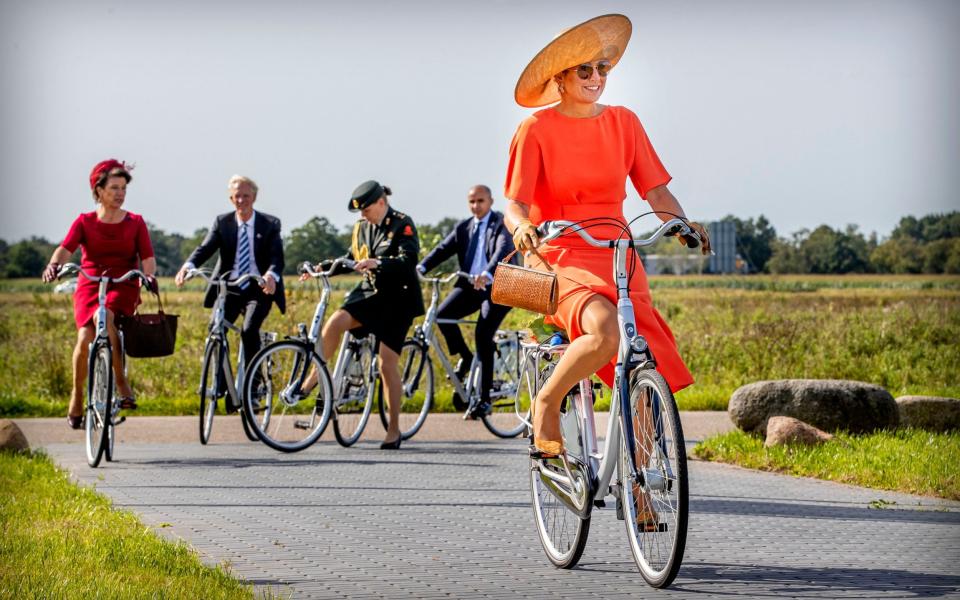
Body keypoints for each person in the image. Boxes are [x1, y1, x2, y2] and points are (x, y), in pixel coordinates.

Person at [503, 14, 712, 524]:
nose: (596, 77)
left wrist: (680, 223)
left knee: (644, 368)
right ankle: (546, 406)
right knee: (604, 330)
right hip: (563, 253)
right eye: (584, 70)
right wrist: (521, 231)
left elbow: (655, 190)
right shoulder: (536, 128)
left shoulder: (624, 121)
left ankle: (638, 492)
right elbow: (515, 203)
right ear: (560, 78)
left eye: (603, 67)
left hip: (618, 252)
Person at [307, 181, 424, 449]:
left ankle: (393, 429)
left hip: (398, 300)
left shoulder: (402, 224)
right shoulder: (361, 228)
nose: (363, 216)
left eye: (367, 209)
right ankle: (316, 376)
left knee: (386, 364)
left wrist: (379, 262)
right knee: (336, 321)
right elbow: (351, 257)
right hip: (370, 294)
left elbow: (409, 262)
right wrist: (322, 268)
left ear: (381, 203)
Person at [41, 159, 157, 429]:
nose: (119, 193)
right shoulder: (85, 222)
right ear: (99, 190)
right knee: (84, 339)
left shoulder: (135, 222)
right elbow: (65, 248)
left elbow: (147, 258)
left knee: (106, 315)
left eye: (123, 189)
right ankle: (77, 395)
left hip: (123, 282)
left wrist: (148, 276)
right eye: (114, 188)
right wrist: (53, 265)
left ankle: (120, 381)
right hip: (90, 282)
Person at [175, 175, 285, 409]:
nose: (241, 200)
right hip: (230, 287)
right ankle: (222, 384)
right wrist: (188, 266)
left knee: (249, 331)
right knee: (216, 329)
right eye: (237, 196)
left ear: (254, 197)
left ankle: (253, 390)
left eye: (246, 196)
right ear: (230, 198)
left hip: (258, 288)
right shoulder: (222, 223)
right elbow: (204, 248)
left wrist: (270, 276)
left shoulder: (269, 224)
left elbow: (277, 258)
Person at [417, 184, 516, 418]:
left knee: (483, 334)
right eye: (472, 202)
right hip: (470, 286)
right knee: (441, 315)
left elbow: (503, 249)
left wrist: (489, 273)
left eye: (480, 201)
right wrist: (420, 267)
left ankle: (484, 399)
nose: (476, 206)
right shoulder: (464, 227)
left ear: (490, 201)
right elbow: (443, 249)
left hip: (497, 287)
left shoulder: (501, 224)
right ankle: (466, 357)